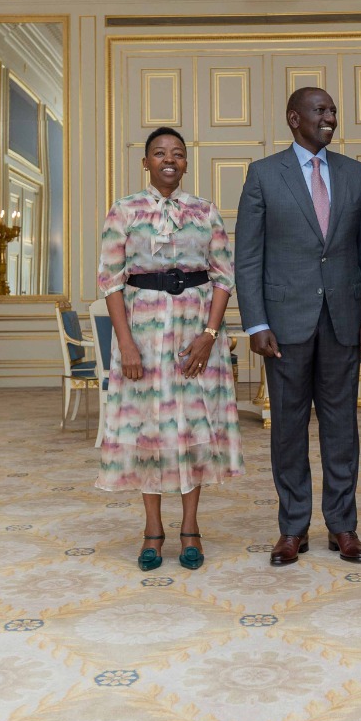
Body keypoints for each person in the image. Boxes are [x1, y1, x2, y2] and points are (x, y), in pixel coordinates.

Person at [234, 87, 361, 567]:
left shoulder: (355, 174)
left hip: (344, 322)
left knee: (342, 428)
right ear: (293, 117)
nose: (330, 118)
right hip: (284, 324)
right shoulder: (262, 175)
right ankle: (292, 529)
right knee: (288, 430)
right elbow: (248, 257)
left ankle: (343, 526)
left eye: (334, 110)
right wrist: (256, 322)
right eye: (321, 111)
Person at [96, 127, 244, 572]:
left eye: (177, 154)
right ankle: (153, 530)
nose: (169, 160)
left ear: (185, 163)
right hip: (142, 335)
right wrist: (125, 344)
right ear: (145, 163)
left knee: (192, 428)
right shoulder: (123, 211)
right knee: (150, 431)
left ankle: (191, 529)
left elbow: (223, 278)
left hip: (197, 336)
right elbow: (110, 281)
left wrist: (210, 335)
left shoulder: (205, 212)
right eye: (159, 153)